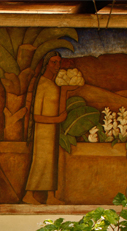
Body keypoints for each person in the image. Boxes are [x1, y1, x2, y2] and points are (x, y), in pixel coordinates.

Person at [23, 51, 78, 205]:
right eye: (54, 62)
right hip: (42, 130)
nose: (57, 65)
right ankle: (28, 195)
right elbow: (36, 116)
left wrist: (66, 90)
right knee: (40, 163)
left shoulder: (54, 83)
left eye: (59, 62)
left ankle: (50, 196)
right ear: (46, 64)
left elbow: (61, 111)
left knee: (51, 163)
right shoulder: (42, 84)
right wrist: (56, 119)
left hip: (52, 129)